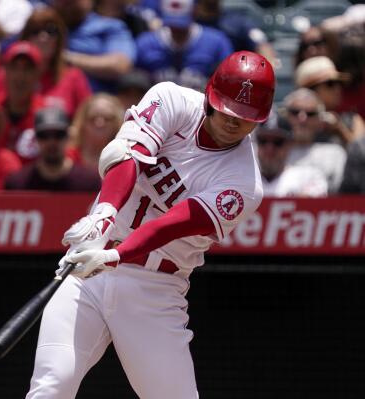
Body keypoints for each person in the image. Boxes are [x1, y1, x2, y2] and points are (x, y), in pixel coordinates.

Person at [26, 51, 274, 398]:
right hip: (88, 268)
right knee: (53, 385)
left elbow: (171, 225)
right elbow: (126, 157)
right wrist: (103, 216)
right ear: (210, 95)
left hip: (154, 289)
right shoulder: (171, 98)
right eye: (228, 108)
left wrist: (116, 256)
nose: (234, 122)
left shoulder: (244, 183)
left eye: (245, 116)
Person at [0, 7, 91, 119]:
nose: (43, 37)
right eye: (35, 31)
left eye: (51, 31)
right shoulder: (7, 74)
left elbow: (85, 120)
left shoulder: (73, 77)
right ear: (26, 37)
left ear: (59, 39)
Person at [135, 0, 233, 92]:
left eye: (181, 25)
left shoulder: (217, 42)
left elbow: (228, 80)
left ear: (195, 12)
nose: (176, 29)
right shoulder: (145, 44)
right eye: (172, 24)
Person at [4, 107, 101, 192]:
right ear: (36, 139)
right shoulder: (18, 184)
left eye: (58, 135)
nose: (51, 142)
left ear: (68, 137)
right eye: (44, 136)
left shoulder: (89, 183)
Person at [52, 0, 137, 93]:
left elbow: (120, 65)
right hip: (48, 98)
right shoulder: (43, 28)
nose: (67, 5)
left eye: (72, 2)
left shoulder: (109, 27)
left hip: (93, 99)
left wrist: (65, 58)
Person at [0, 41, 45, 162]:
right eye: (14, 67)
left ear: (38, 74)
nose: (20, 76)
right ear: (4, 71)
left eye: (27, 68)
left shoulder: (45, 115)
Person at [280, 88, 347, 193]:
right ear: (285, 116)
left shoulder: (335, 154)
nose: (302, 119)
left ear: (320, 120)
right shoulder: (270, 149)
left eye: (310, 114)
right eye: (295, 112)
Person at [294, 56, 365, 146]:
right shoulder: (293, 120)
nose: (337, 88)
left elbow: (361, 155)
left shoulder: (352, 120)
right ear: (310, 90)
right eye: (330, 84)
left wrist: (340, 130)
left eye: (338, 83)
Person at [256, 114, 328, 197]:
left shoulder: (309, 176)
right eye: (263, 141)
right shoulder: (243, 176)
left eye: (278, 142)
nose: (269, 148)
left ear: (290, 144)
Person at [67, 93, 125, 170]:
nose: (99, 123)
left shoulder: (122, 159)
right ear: (83, 122)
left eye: (107, 119)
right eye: (93, 118)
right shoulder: (67, 157)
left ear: (117, 123)